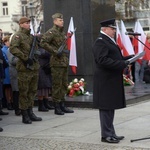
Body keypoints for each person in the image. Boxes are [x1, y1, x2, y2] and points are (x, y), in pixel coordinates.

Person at [92, 18, 132, 144]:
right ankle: (106, 135)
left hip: (111, 79)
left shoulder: (108, 40)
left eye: (114, 29)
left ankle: (111, 132)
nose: (114, 31)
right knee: (106, 108)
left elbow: (114, 58)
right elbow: (102, 60)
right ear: (105, 29)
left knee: (110, 107)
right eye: (112, 29)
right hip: (105, 80)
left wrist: (128, 59)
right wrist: (122, 63)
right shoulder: (100, 42)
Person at [9, 16, 42, 124]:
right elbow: (13, 48)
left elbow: (37, 49)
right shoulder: (17, 36)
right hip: (24, 68)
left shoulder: (31, 37)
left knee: (32, 92)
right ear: (21, 24)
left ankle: (30, 111)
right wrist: (25, 57)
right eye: (26, 23)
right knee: (24, 92)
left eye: (29, 22)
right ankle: (25, 114)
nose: (28, 24)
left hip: (34, 67)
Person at [40, 13, 74, 115]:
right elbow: (43, 42)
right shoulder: (52, 32)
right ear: (55, 21)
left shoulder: (62, 33)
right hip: (56, 63)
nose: (62, 21)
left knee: (63, 84)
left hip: (63, 62)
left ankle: (62, 104)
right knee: (57, 85)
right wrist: (54, 51)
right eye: (59, 20)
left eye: (62, 20)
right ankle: (57, 106)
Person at [7, 34, 21, 116]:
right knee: (16, 92)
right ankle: (17, 109)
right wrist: (22, 57)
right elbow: (12, 61)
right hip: (15, 73)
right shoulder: (10, 50)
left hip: (21, 73)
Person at [37, 46, 54, 111]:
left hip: (46, 68)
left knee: (47, 87)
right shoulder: (39, 49)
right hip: (42, 69)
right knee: (41, 88)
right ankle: (41, 105)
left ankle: (46, 103)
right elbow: (44, 53)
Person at [1, 36, 13, 110]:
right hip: (7, 70)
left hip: (11, 70)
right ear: (5, 42)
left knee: (11, 87)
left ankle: (11, 101)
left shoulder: (10, 49)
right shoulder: (3, 50)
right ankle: (8, 102)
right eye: (8, 41)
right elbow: (5, 60)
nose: (9, 43)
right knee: (7, 87)